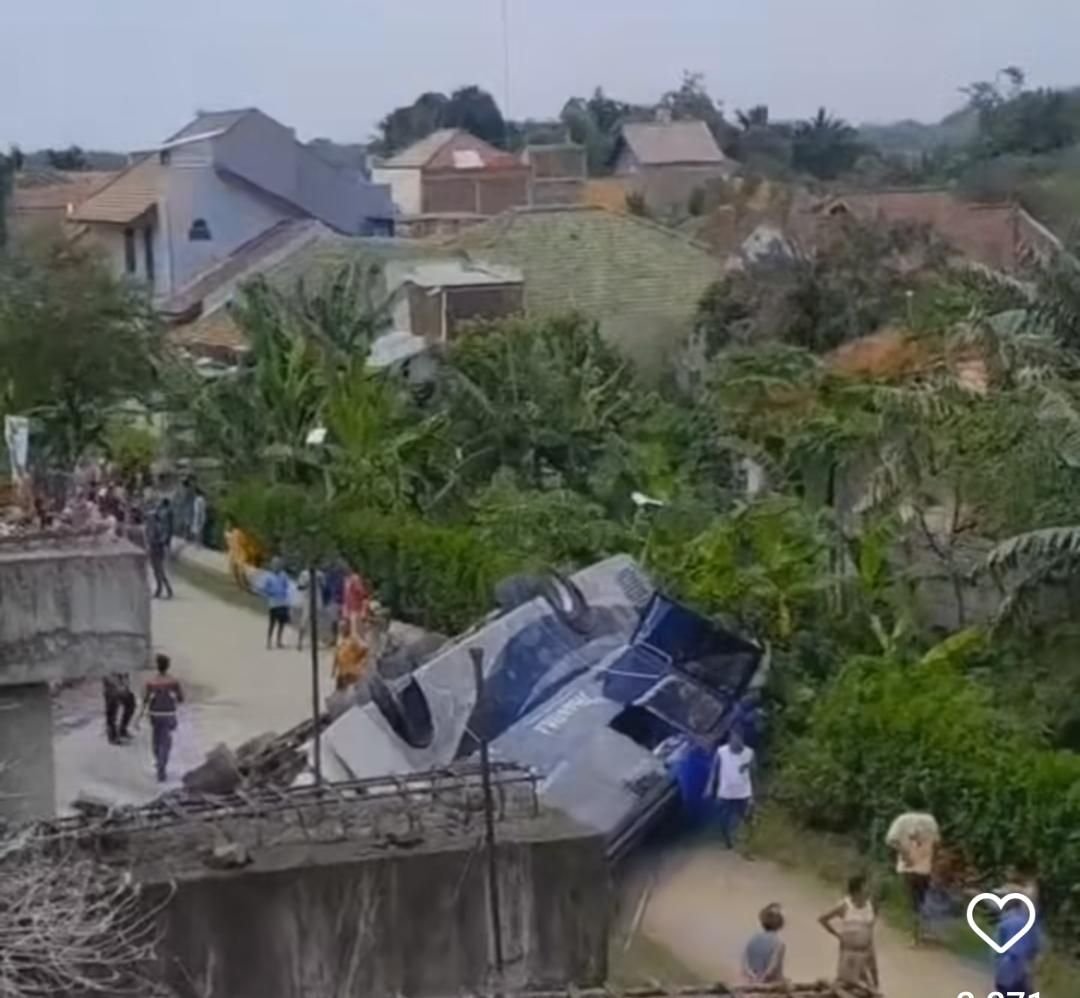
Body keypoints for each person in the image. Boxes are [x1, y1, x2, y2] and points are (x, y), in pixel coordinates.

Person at [885, 797, 940, 945]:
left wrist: (905, 855)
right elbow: (936, 843)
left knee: (911, 901)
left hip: (907, 867)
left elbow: (891, 841)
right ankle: (918, 931)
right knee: (920, 900)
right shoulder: (931, 821)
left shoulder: (902, 820)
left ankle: (914, 935)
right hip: (925, 868)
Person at [819, 873, 879, 990]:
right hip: (849, 954)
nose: (868, 890)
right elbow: (822, 919)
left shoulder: (871, 905)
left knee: (870, 987)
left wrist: (874, 968)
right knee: (847, 985)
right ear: (857, 890)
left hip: (866, 952)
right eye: (865, 887)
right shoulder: (845, 905)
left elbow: (870, 931)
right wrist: (837, 935)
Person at [141, 653, 184, 782]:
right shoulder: (174, 681)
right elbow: (181, 699)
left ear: (157, 666)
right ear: (168, 666)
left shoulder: (151, 682)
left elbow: (145, 699)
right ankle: (162, 765)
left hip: (155, 714)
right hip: (169, 714)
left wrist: (142, 712)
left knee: (156, 740)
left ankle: (159, 762)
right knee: (165, 742)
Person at [712, 727, 755, 849]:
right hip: (725, 791)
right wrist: (710, 786)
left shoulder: (749, 753)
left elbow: (753, 774)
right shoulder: (721, 752)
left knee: (746, 817)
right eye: (732, 739)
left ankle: (749, 841)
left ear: (742, 740)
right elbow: (714, 770)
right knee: (723, 818)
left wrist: (754, 794)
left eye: (737, 738)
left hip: (743, 792)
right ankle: (727, 841)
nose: (735, 741)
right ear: (729, 740)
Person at [995, 896, 1041, 994]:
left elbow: (996, 949)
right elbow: (1035, 947)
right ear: (1020, 906)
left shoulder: (1003, 924)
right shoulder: (1029, 923)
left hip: (1006, 969)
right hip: (1024, 970)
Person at [742, 903, 786, 985]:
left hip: (752, 983)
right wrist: (762, 979)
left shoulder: (752, 940)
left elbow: (745, 965)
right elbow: (773, 966)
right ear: (780, 923)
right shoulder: (779, 943)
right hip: (771, 985)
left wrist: (753, 978)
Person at [258, 558, 292, 650]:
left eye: (278, 564)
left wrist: (287, 599)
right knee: (272, 623)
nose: (276, 566)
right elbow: (264, 589)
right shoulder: (268, 576)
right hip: (273, 604)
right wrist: (270, 593)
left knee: (282, 624)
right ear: (272, 565)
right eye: (274, 564)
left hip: (282, 602)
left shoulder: (284, 575)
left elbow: (286, 587)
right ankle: (268, 642)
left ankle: (278, 641)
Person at [145, 499, 174, 598]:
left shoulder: (157, 527)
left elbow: (162, 538)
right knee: (156, 571)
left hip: (157, 550)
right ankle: (160, 589)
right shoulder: (151, 527)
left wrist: (156, 543)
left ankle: (166, 588)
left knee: (159, 570)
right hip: (154, 549)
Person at [332, 620, 368, 691]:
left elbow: (365, 649)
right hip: (342, 673)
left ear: (348, 627)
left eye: (343, 627)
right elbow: (337, 654)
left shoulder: (354, 638)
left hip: (351, 673)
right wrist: (333, 669)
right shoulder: (340, 639)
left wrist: (360, 664)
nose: (342, 629)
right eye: (341, 627)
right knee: (340, 693)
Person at [102, 672, 136, 744]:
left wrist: (125, 684)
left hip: (121, 686)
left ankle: (122, 729)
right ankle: (112, 736)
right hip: (111, 686)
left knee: (130, 703)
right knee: (111, 710)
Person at [296, 566, 323, 651]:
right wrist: (307, 583)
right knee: (304, 621)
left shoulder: (320, 574)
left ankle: (313, 643)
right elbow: (299, 587)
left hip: (317, 600)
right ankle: (299, 642)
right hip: (307, 600)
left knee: (315, 623)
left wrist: (319, 582)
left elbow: (324, 586)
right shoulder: (304, 574)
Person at [343, 568, 370, 635]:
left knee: (355, 634)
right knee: (357, 634)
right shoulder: (352, 579)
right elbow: (361, 592)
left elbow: (346, 598)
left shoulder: (349, 580)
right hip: (355, 610)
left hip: (353, 610)